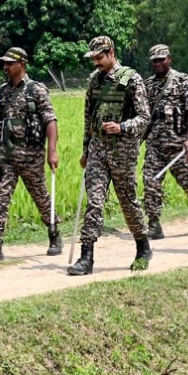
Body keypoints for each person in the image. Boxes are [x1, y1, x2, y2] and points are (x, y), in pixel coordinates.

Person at [68, 36, 152, 276]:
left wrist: (122, 127)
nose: (96, 62)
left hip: (123, 151)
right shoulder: (94, 81)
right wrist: (85, 149)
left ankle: (143, 247)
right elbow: (88, 117)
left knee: (128, 202)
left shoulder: (131, 79)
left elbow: (144, 118)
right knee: (94, 201)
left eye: (100, 57)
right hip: (97, 149)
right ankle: (87, 257)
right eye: (93, 58)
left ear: (111, 53)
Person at [0, 47, 61, 258]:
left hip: (31, 156)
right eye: (4, 63)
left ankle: (54, 233)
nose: (5, 67)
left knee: (41, 197)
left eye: (9, 63)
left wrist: (52, 151)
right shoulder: (2, 92)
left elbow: (50, 120)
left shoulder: (36, 90)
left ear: (22, 64)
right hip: (5, 156)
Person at [140, 44, 188, 238]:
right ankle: (154, 223)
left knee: (187, 181)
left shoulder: (183, 80)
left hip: (177, 143)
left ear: (169, 59)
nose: (157, 63)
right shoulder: (147, 85)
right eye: (154, 60)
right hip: (155, 144)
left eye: (161, 59)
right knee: (151, 181)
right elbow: (144, 115)